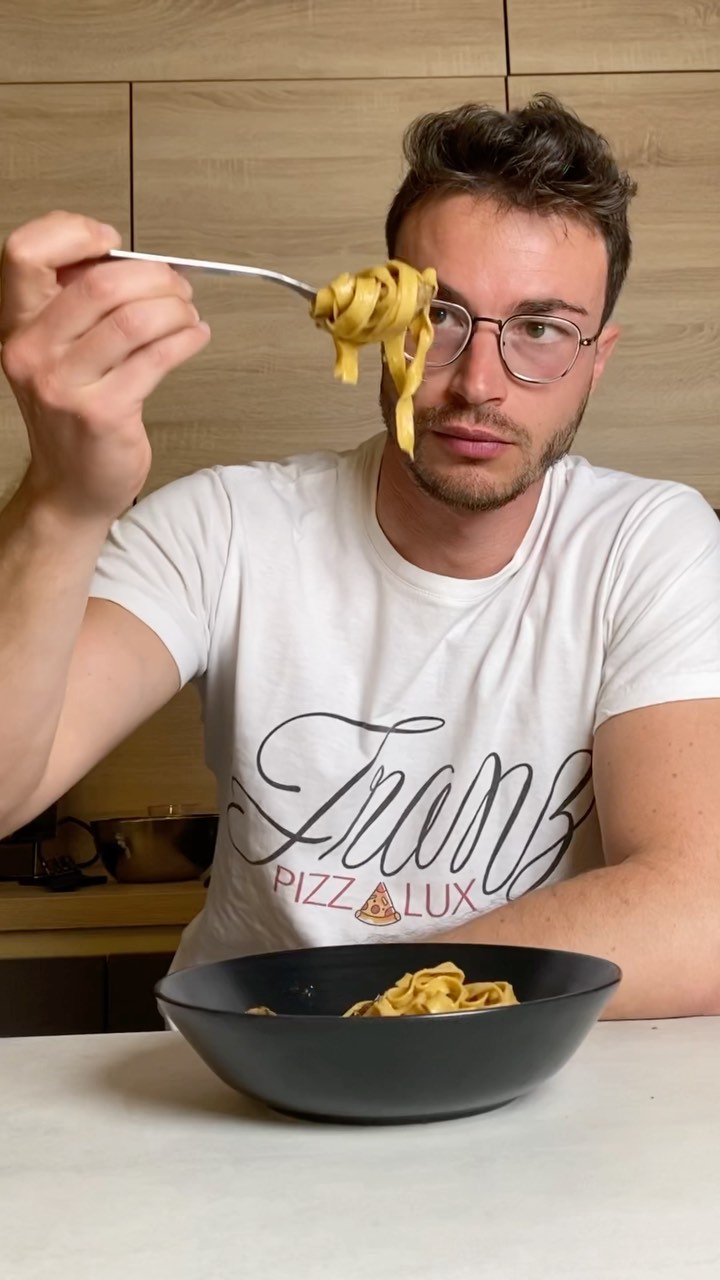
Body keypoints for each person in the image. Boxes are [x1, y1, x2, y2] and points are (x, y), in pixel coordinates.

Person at [1, 95, 719, 1020]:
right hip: (245, 1083)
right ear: (380, 326)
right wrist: (64, 497)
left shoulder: (647, 542)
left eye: (541, 329)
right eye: (441, 316)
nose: (478, 384)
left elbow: (701, 904)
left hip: (502, 1074)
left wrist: (355, 1011)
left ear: (597, 359)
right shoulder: (226, 525)